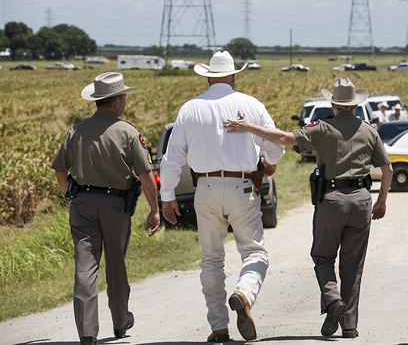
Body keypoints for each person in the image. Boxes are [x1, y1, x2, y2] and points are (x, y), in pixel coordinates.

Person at [224, 78, 393, 339]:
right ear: (356, 105)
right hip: (361, 199)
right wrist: (381, 200)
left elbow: (284, 138)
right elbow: (387, 168)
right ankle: (349, 326)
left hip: (332, 199)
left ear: (333, 103)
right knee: (353, 265)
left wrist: (248, 128)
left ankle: (333, 299)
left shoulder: (323, 128)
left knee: (323, 257)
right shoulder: (369, 130)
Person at [159, 51, 285, 343]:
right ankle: (244, 292)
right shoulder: (250, 104)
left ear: (207, 76)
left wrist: (167, 196)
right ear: (233, 75)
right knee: (254, 252)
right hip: (242, 187)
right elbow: (275, 141)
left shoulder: (190, 108)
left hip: (205, 188)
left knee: (211, 259)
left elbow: (172, 157)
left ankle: (218, 327)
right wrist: (268, 160)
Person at [51, 72, 161, 345]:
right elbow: (146, 176)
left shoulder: (76, 130)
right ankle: (121, 322)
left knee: (85, 267)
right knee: (115, 264)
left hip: (82, 205)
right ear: (116, 102)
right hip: (115, 205)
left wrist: (71, 195)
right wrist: (154, 210)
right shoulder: (129, 132)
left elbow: (59, 170)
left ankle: (87, 332)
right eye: (123, 97)